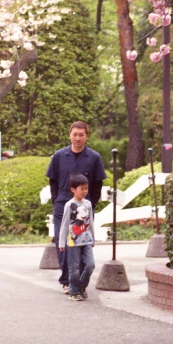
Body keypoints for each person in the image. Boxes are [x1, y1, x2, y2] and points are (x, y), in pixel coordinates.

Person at [46, 122, 107, 294]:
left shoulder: (94, 157)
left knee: (81, 244)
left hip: (84, 208)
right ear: (70, 135)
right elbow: (53, 181)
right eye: (75, 134)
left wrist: (91, 205)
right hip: (63, 205)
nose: (78, 138)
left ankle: (78, 281)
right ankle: (67, 280)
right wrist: (57, 200)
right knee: (63, 241)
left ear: (87, 135)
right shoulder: (59, 156)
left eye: (81, 134)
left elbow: (97, 185)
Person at [58, 174, 96, 301]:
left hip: (86, 239)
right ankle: (74, 291)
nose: (85, 191)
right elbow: (64, 224)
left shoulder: (88, 204)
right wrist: (61, 243)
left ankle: (82, 286)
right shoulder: (69, 205)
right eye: (82, 189)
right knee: (73, 268)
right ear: (73, 189)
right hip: (73, 241)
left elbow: (90, 222)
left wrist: (93, 238)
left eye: (86, 188)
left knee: (90, 265)